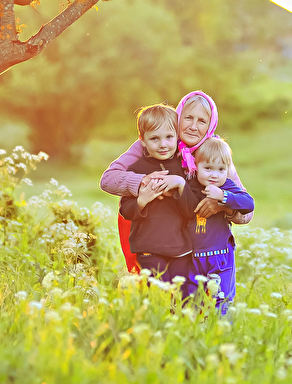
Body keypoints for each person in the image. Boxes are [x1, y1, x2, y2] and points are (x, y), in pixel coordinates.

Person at [100, 91, 253, 273]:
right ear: (178, 117)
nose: (193, 127)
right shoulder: (159, 140)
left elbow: (246, 214)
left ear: (210, 124)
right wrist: (143, 180)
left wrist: (222, 205)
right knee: (154, 284)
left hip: (201, 245)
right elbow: (108, 179)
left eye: (202, 121)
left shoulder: (214, 152)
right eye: (188, 118)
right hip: (154, 235)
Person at [118, 104, 192, 288]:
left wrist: (181, 185)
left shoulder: (185, 168)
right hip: (148, 249)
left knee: (183, 297)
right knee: (159, 294)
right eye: (154, 139)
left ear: (177, 136)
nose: (163, 144)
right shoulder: (136, 171)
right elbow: (125, 210)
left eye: (169, 137)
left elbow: (192, 210)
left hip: (182, 249)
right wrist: (141, 201)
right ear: (142, 141)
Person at [188, 137, 254, 314]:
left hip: (221, 256)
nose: (214, 175)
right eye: (208, 168)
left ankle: (222, 327)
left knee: (221, 299)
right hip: (192, 258)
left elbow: (249, 204)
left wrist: (223, 197)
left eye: (221, 169)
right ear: (196, 166)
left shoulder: (226, 186)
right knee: (193, 301)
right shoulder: (191, 186)